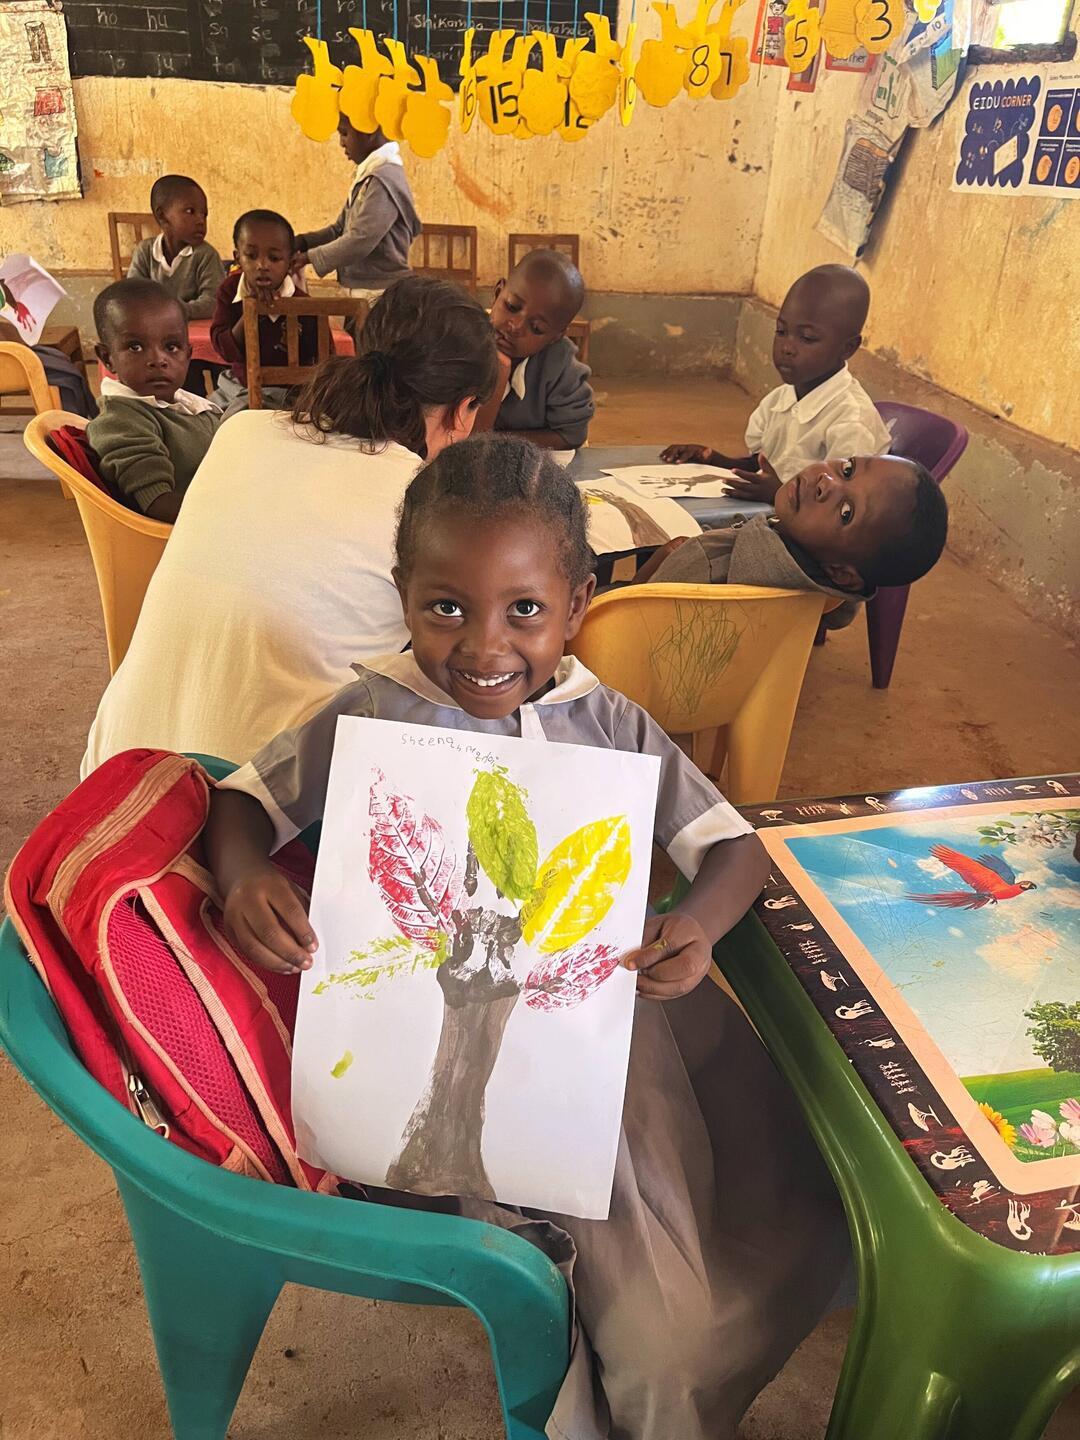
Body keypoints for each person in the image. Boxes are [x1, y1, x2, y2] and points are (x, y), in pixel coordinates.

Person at [202, 433, 849, 1440]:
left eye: (525, 611)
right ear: (403, 594)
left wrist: (697, 926)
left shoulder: (611, 724)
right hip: (431, 1043)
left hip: (609, 1041)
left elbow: (733, 848)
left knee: (716, 1241)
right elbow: (242, 802)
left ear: (578, 604)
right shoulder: (372, 712)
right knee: (583, 1248)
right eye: (446, 608)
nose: (484, 647)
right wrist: (245, 874)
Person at [80, 276, 498, 777]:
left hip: (114, 775)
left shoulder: (239, 429)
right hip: (250, 805)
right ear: (463, 410)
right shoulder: (423, 504)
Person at [636, 453, 949, 630]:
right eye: (848, 469)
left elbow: (633, 627)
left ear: (841, 572)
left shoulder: (705, 563)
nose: (826, 481)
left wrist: (645, 575)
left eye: (846, 512)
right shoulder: (833, 596)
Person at [662, 264, 890, 503]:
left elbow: (841, 508)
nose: (787, 347)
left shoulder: (852, 423)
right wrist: (711, 459)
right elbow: (762, 466)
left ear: (848, 348)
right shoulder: (778, 401)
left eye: (807, 338)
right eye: (781, 331)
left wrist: (779, 494)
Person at [87, 279, 222, 523]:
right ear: (107, 358)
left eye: (172, 347)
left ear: (188, 355)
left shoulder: (189, 405)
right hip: (189, 535)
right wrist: (237, 514)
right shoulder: (120, 421)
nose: (158, 360)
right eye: (135, 347)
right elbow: (159, 504)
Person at [295, 116, 421, 319]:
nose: (341, 142)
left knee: (372, 340)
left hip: (379, 295)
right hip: (363, 292)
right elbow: (339, 229)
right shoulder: (368, 176)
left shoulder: (383, 180)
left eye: (344, 133)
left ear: (368, 130)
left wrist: (308, 257)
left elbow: (360, 240)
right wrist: (303, 242)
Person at [209, 209, 318, 414]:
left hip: (288, 392)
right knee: (206, 415)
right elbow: (224, 350)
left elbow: (322, 360)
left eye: (274, 258)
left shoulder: (303, 304)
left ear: (290, 263)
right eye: (251, 256)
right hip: (238, 383)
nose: (262, 265)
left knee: (236, 418)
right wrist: (251, 310)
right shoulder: (229, 291)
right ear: (237, 258)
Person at [485, 248, 594, 451]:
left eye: (537, 328)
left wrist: (499, 443)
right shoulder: (463, 340)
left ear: (556, 336)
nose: (516, 326)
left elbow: (571, 435)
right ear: (498, 292)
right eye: (512, 306)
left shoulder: (560, 366)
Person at [127, 174, 224, 321]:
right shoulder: (145, 251)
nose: (200, 221)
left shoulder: (206, 255)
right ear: (162, 216)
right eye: (190, 211)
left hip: (192, 329)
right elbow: (132, 295)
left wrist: (175, 310)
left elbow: (213, 302)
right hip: (154, 327)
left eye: (204, 214)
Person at [0, 274, 96, 418]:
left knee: (60, 360)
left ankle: (80, 419)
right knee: (65, 376)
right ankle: (68, 424)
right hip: (8, 357)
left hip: (12, 349)